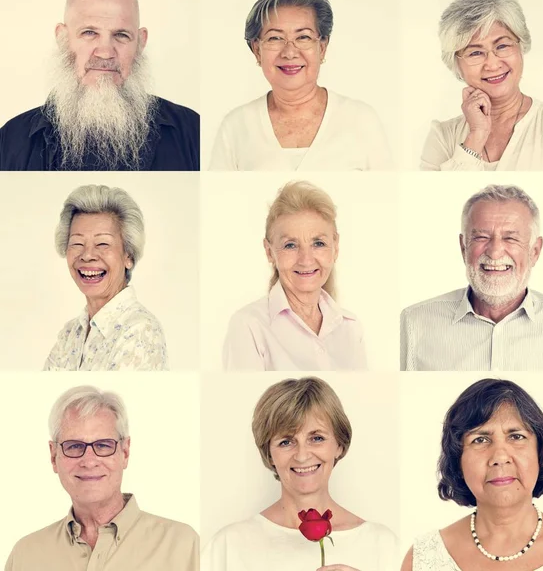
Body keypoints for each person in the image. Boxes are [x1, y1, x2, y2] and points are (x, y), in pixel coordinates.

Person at [0, 0, 199, 170]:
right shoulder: (10, 140)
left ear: (140, 42)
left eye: (121, 35)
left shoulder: (191, 131)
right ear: (63, 38)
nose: (105, 52)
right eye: (89, 33)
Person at [201, 377, 399, 570]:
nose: (302, 456)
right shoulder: (227, 547)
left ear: (339, 445)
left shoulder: (383, 546)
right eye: (286, 442)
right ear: (269, 454)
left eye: (317, 438)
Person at [401, 378, 543, 570]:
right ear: (457, 460)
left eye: (516, 436)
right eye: (480, 440)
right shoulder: (422, 559)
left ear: (540, 452)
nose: (500, 456)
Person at [400, 184, 543, 370]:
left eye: (510, 238)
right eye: (481, 237)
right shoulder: (414, 324)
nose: (495, 252)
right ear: (463, 247)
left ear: (535, 252)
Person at [4, 386, 199, 570]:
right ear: (54, 456)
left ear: (125, 452)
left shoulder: (184, 546)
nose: (89, 461)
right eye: (74, 446)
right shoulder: (25, 556)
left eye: (103, 445)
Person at [209, 0, 393, 171]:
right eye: (275, 38)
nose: (289, 52)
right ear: (257, 50)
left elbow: (387, 197)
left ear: (322, 47)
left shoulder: (361, 120)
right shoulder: (236, 127)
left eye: (303, 37)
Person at [420, 0, 543, 171]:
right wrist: (476, 136)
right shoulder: (442, 137)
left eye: (502, 46)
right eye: (475, 52)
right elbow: (438, 200)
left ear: (521, 47)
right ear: (456, 64)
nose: (492, 64)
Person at [223, 181, 367, 371]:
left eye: (318, 243)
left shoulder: (351, 327)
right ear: (269, 251)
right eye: (290, 245)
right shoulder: (248, 326)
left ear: (336, 246)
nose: (306, 260)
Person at [44, 184, 168, 371]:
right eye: (77, 243)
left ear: (128, 256)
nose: (87, 255)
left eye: (102, 243)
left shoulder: (141, 331)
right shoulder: (70, 333)